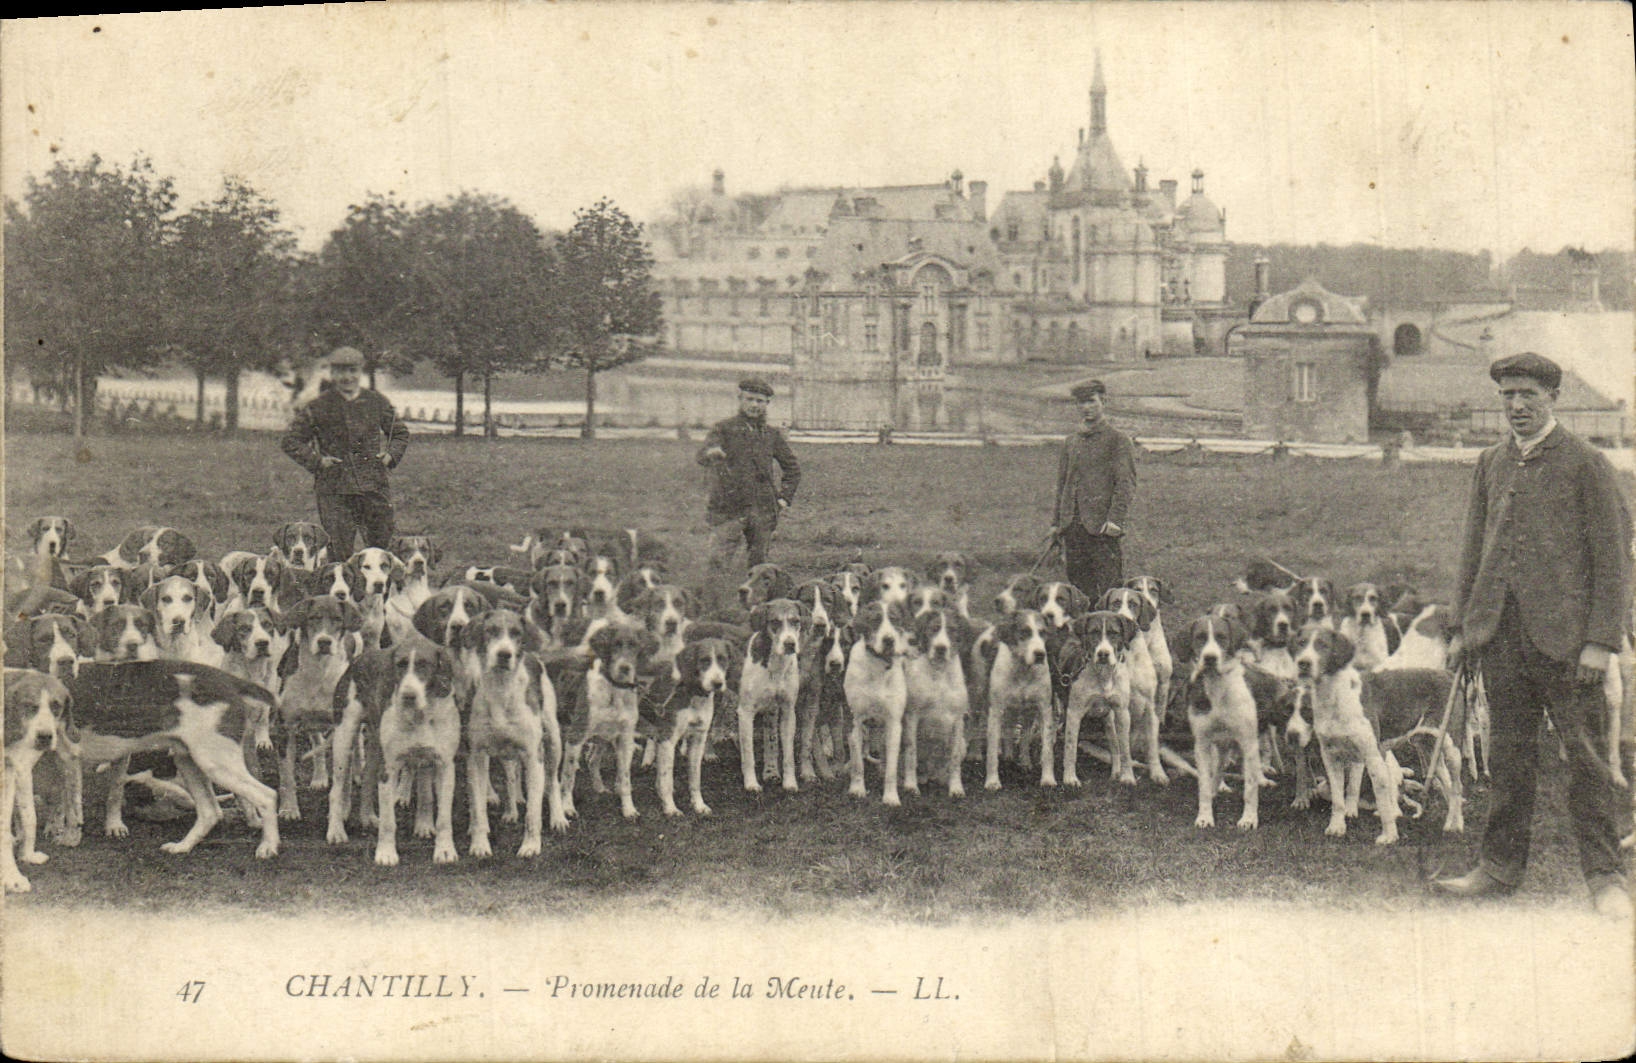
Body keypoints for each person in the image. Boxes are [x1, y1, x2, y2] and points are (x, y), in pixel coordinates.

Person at [1434, 352, 1633, 918]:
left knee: (1588, 760)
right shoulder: (1491, 464)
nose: (1517, 406)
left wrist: (1601, 641)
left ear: (1553, 398)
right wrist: (1461, 628)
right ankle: (1498, 868)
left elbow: (1614, 560)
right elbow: (1473, 551)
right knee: (1509, 758)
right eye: (1507, 396)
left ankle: (1604, 878)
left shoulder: (1586, 463)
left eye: (1529, 395)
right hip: (1500, 637)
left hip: (1570, 646)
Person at [280, 346, 410, 559]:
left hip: (373, 487)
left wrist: (390, 456)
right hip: (335, 489)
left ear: (360, 372)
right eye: (340, 371)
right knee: (338, 552)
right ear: (331, 373)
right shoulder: (319, 406)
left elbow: (400, 433)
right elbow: (291, 440)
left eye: (352, 371)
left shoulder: (376, 402)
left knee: (379, 551)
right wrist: (317, 461)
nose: (347, 377)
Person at [697, 377, 800, 609]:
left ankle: (757, 611)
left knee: (760, 566)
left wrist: (783, 499)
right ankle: (712, 610)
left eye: (761, 401)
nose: (755, 405)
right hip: (728, 510)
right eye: (750, 399)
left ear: (767, 404)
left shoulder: (771, 435)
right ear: (740, 399)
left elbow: (792, 468)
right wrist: (712, 452)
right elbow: (702, 455)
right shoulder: (723, 429)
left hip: (762, 511)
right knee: (718, 561)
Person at [1050, 379, 1137, 604]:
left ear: (1103, 402)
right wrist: (1056, 522)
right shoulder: (1071, 441)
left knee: (1110, 590)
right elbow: (1063, 485)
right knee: (1079, 592)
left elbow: (1125, 484)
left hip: (1101, 528)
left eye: (1091, 401)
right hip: (1072, 526)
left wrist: (1115, 521)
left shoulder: (1117, 440)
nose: (1086, 408)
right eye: (1081, 403)